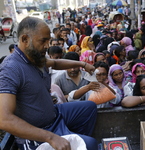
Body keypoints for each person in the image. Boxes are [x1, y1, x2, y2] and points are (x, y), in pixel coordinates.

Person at [0, 17, 98, 150]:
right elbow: (4, 119)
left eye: (48, 40)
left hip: (54, 114)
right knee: (91, 144)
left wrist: (83, 64)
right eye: (43, 41)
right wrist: (50, 137)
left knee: (89, 108)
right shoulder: (11, 69)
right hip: (39, 131)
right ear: (24, 40)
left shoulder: (34, 57)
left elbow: (56, 63)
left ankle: (73, 141)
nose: (47, 46)